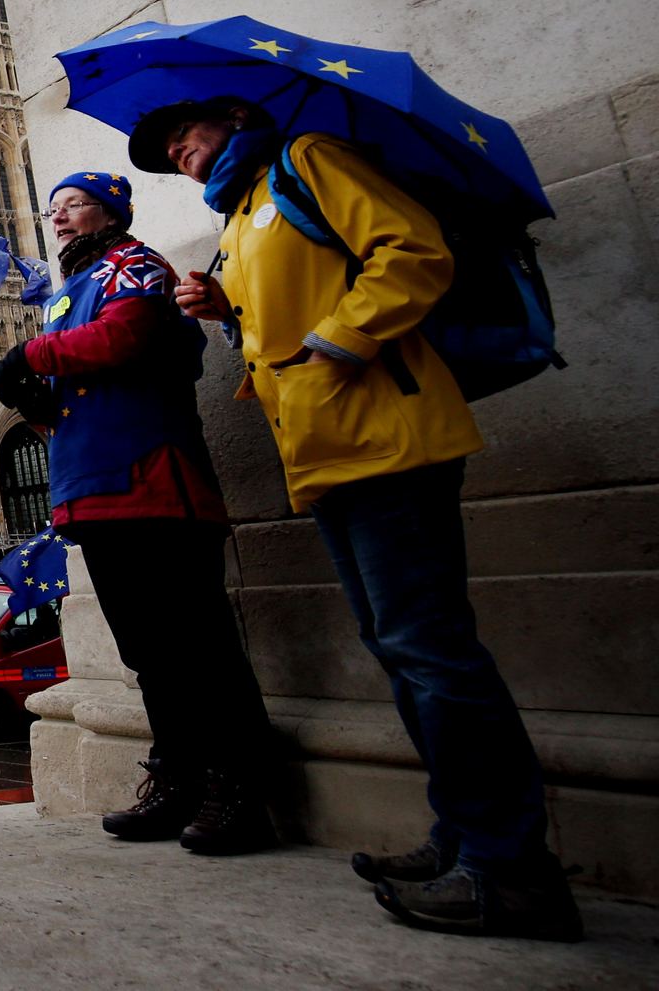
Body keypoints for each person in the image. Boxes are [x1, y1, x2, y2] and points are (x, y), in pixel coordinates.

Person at [136, 96, 581, 941]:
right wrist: (225, 309)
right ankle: (463, 838)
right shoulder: (242, 213)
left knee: (432, 649)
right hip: (329, 452)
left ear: (232, 113)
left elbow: (413, 250)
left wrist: (339, 343)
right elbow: (281, 325)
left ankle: (511, 867)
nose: (177, 150)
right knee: (404, 651)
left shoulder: (307, 160)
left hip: (388, 433)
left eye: (182, 131)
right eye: (166, 148)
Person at [0, 170, 276, 855]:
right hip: (93, 491)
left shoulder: (134, 265)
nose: (57, 218)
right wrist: (33, 392)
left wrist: (29, 353)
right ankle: (179, 780)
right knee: (151, 655)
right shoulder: (66, 294)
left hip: (153, 482)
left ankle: (240, 789)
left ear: (110, 212)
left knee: (200, 649)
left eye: (73, 205)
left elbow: (128, 337)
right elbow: (70, 395)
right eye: (51, 209)